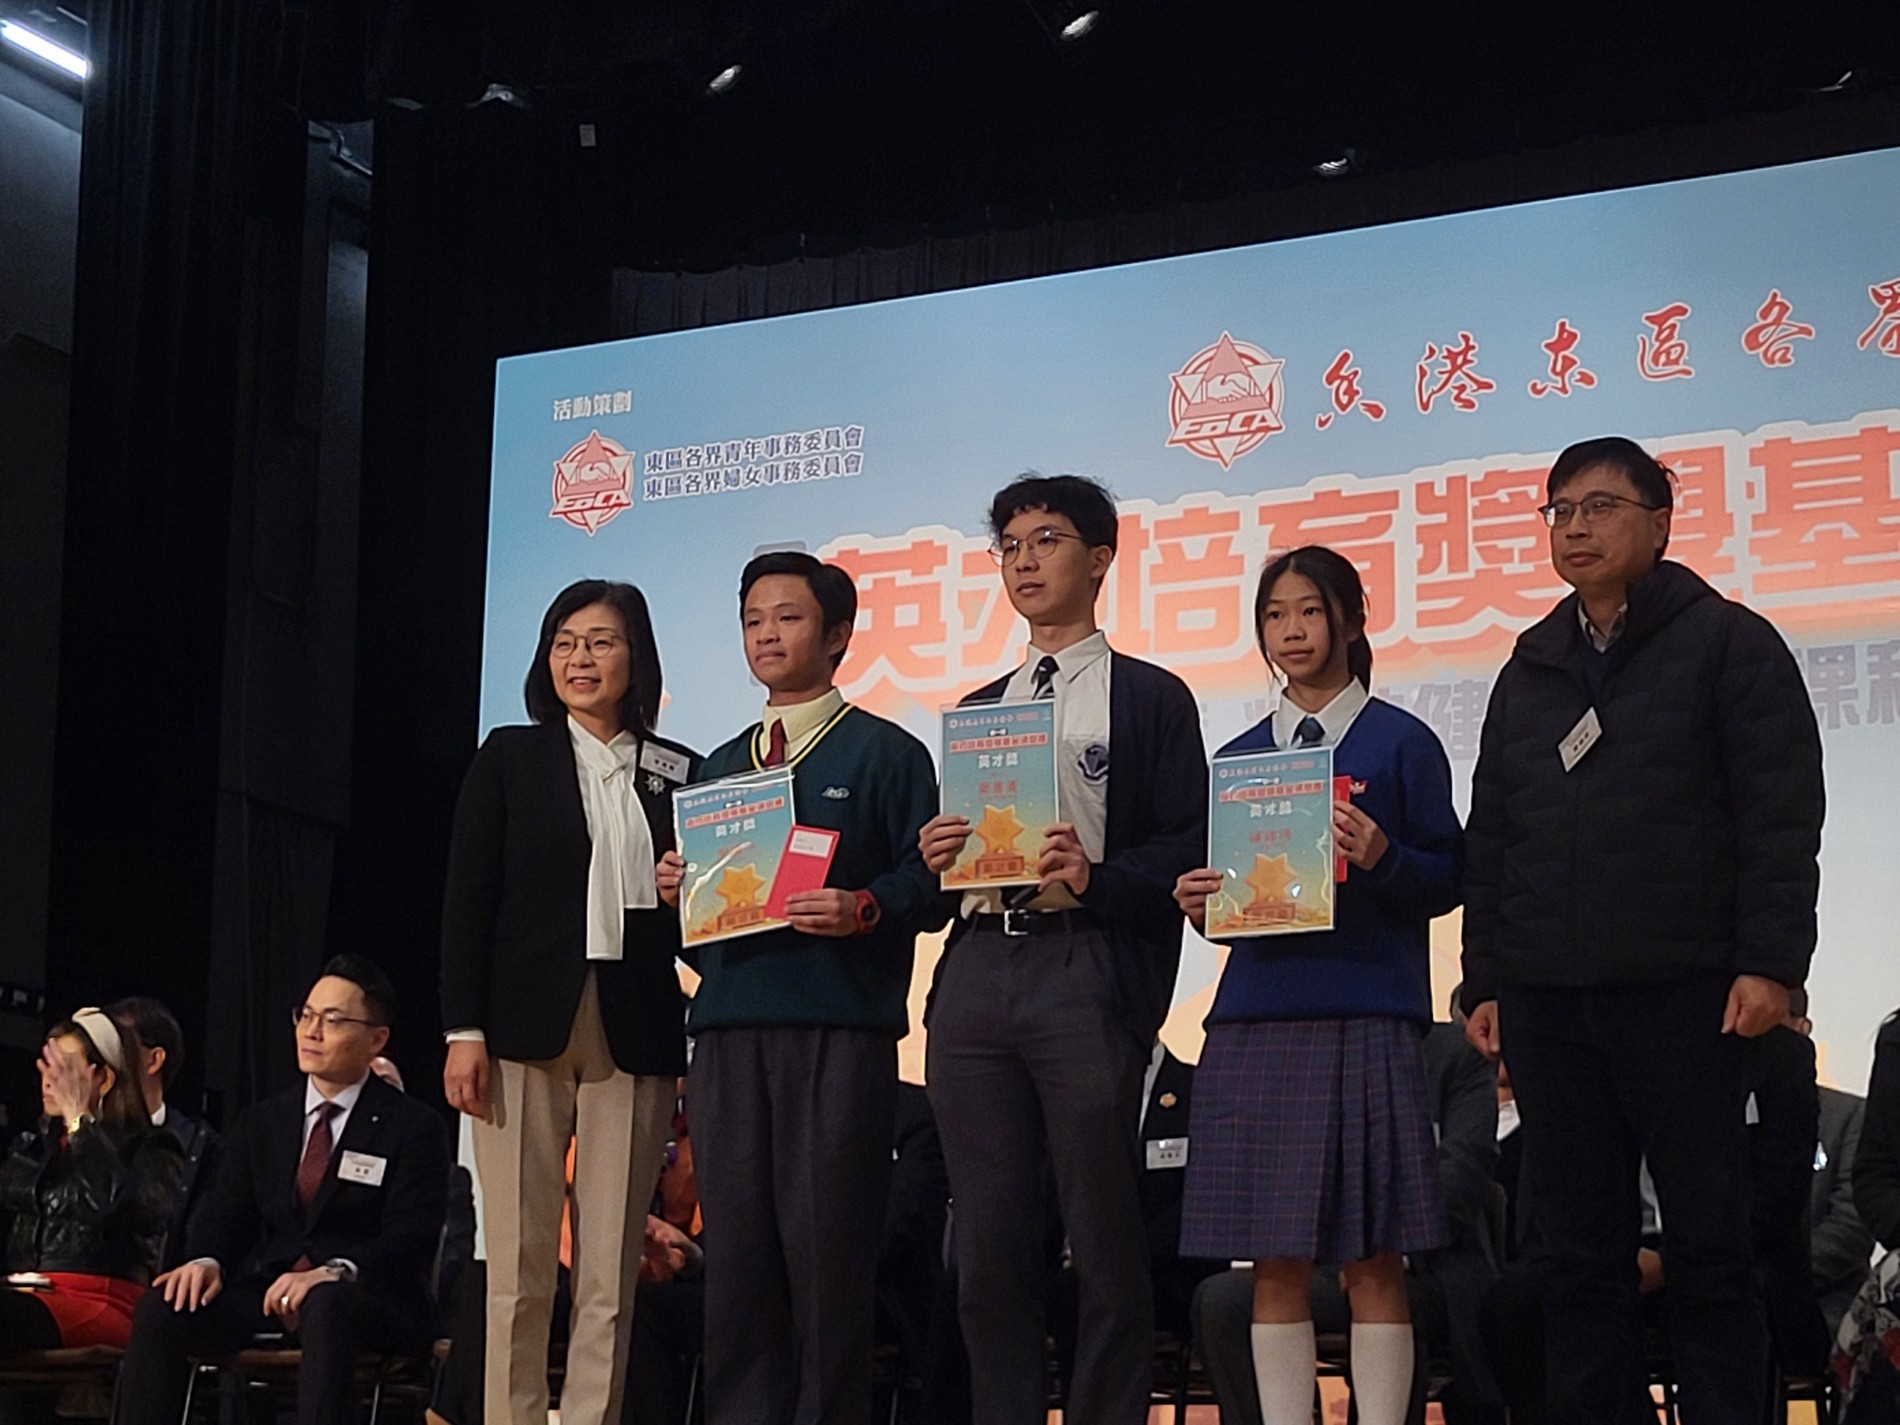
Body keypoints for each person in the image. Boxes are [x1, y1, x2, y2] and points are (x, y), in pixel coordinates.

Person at [1460, 436, 1825, 1425]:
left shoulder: (1728, 644)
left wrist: (1770, 965)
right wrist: (1484, 979)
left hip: (1688, 996)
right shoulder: (1531, 666)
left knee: (1709, 1253)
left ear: (1660, 524)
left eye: (1600, 507)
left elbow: (1780, 816)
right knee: (1579, 1262)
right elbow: (1494, 834)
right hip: (1549, 1005)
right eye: (1559, 510)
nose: (1575, 527)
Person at [917, 473, 1207, 1425]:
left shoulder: (1152, 698)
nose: (1024, 561)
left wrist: (1096, 875)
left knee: (1102, 1233)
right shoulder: (981, 707)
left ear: (1101, 557)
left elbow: (1187, 845)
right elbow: (950, 862)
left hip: (1085, 964)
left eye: (1046, 540)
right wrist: (936, 854)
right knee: (986, 1245)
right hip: (979, 964)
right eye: (1009, 545)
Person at [1171, 546, 1462, 1425]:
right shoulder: (1239, 758)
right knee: (1273, 1257)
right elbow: (1233, 903)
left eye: (1308, 610)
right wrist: (1201, 905)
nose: (1290, 631)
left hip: (1367, 1010)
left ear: (1351, 619)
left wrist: (1384, 856)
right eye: (1274, 615)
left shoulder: (1400, 741)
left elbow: (1450, 877)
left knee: (1375, 1256)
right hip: (1256, 1018)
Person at [655, 551, 945, 1425]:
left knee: (827, 1254)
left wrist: (863, 906)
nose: (767, 635)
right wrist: (681, 893)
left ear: (838, 635)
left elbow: (929, 886)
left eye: (787, 617)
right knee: (739, 1259)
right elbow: (701, 936)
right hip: (728, 1033)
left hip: (837, 1030)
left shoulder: (887, 751)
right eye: (753, 620)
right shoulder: (716, 768)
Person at [440, 579, 698, 1425]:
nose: (580, 658)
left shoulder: (678, 771)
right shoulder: (510, 756)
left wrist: (685, 894)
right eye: (565, 642)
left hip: (637, 1025)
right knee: (517, 1261)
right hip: (520, 1027)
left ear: (637, 657)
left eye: (601, 641)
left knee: (610, 1266)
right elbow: (468, 899)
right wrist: (463, 1028)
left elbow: (707, 917)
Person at [113, 956, 449, 1425]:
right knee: (162, 1305)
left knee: (326, 1302)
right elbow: (224, 1214)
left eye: (333, 1020)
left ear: (377, 1039)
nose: (312, 1031)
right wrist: (207, 1260)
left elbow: (410, 1238)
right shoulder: (265, 1121)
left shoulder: (412, 1126)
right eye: (305, 1015)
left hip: (369, 1298)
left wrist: (334, 1271)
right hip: (274, 1293)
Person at [1192, 1016, 1502, 1425]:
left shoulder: (1455, 1055)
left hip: (1425, 1262)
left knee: (1382, 1284)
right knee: (1222, 1300)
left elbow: (1464, 1169)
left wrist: (1395, 1243)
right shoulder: (1291, 1052)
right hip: (1317, 1259)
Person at [0, 1009, 182, 1349]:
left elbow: (110, 1203)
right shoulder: (32, 1147)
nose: (50, 1079)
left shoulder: (152, 1147)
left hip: (103, 1300)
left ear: (105, 1078)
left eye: (65, 1068)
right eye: (47, 1065)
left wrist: (80, 1121)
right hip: (25, 1293)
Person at [105, 996, 221, 1271]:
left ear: (154, 1059)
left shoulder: (200, 1147)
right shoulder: (89, 1134)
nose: (104, 1059)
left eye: (116, 1045)